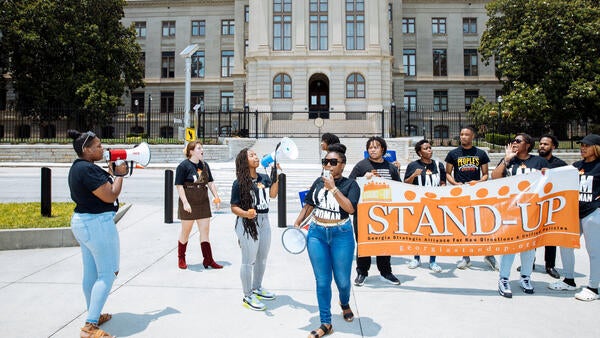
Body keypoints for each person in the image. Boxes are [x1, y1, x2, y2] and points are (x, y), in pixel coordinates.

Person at [294, 143, 360, 338]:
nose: (328, 165)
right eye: (326, 161)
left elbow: (350, 208)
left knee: (343, 281)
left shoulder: (351, 185)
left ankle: (345, 302)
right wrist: (298, 221)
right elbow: (309, 204)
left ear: (343, 165)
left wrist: (333, 189)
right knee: (322, 281)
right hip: (316, 233)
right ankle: (325, 322)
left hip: (341, 234)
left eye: (333, 162)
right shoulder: (318, 181)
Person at [68, 130, 128, 338]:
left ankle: (93, 312)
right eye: (98, 146)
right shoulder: (86, 170)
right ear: (86, 149)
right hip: (96, 224)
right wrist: (120, 175)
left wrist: (112, 174)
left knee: (91, 273)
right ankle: (90, 326)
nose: (102, 149)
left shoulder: (81, 167)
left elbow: (100, 187)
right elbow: (110, 194)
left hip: (84, 223)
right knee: (109, 272)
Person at [491, 133, 549, 298]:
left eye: (518, 141)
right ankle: (503, 279)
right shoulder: (511, 161)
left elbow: (549, 183)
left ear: (528, 145)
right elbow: (495, 177)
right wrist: (506, 159)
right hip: (512, 209)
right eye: (513, 141)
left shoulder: (539, 161)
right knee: (510, 245)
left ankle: (525, 277)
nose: (514, 143)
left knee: (529, 246)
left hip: (532, 209)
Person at [548, 134, 600, 301]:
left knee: (594, 252)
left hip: (594, 212)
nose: (582, 148)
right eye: (582, 145)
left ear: (596, 148)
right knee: (565, 244)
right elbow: (559, 177)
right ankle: (569, 280)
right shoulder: (577, 165)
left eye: (587, 145)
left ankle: (593, 287)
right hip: (575, 213)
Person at [349, 136, 402, 286]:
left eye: (376, 147)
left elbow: (399, 187)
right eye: (370, 147)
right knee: (364, 243)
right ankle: (362, 273)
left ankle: (386, 272)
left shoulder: (391, 167)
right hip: (364, 213)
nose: (373, 150)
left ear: (383, 149)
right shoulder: (361, 166)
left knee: (384, 243)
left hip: (385, 213)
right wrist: (363, 178)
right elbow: (349, 184)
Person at [230, 148, 279, 311]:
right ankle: (247, 295)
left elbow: (273, 195)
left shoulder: (264, 178)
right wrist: (246, 213)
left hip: (264, 221)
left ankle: (257, 287)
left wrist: (275, 175)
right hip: (247, 224)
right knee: (248, 260)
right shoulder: (239, 183)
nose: (256, 157)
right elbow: (234, 207)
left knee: (262, 258)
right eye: (251, 156)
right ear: (245, 161)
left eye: (256, 155)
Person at [445, 126, 498, 270]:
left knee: (484, 225)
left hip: (478, 194)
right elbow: (448, 173)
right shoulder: (453, 153)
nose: (463, 137)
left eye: (466, 134)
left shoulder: (481, 153)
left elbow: (486, 174)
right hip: (461, 194)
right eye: (461, 134)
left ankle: (489, 255)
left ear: (472, 136)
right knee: (464, 226)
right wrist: (455, 184)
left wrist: (478, 182)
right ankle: (465, 257)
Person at [175, 140, 222, 270]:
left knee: (205, 232)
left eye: (202, 148)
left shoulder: (204, 165)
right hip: (189, 202)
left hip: (203, 202)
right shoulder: (183, 166)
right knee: (186, 231)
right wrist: (185, 203)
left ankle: (208, 260)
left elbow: (210, 182)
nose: (202, 150)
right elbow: (179, 186)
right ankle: (181, 258)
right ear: (191, 152)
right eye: (199, 148)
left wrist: (216, 197)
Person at [404, 139, 446, 273]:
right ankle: (416, 257)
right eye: (426, 148)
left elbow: (443, 182)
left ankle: (433, 261)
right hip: (418, 204)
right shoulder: (413, 165)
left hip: (435, 204)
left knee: (433, 233)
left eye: (430, 148)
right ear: (419, 152)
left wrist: (442, 189)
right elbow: (405, 184)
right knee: (418, 231)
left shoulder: (438, 165)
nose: (429, 150)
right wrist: (413, 176)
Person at [536, 134, 567, 279]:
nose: (542, 146)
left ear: (553, 147)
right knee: (531, 235)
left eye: (546, 144)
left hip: (552, 205)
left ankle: (550, 265)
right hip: (535, 204)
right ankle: (530, 262)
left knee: (550, 237)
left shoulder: (560, 165)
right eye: (541, 144)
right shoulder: (533, 162)